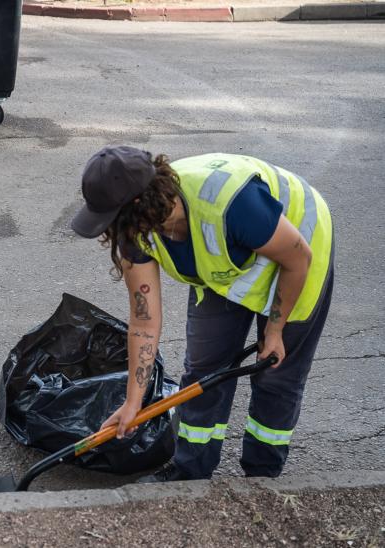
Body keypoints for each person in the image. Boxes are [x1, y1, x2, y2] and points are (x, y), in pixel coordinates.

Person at [70, 146, 333, 481]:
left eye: (110, 218)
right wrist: (133, 403)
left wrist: (275, 331)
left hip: (298, 250)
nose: (110, 230)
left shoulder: (234, 205)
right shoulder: (136, 232)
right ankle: (190, 471)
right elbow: (144, 321)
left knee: (276, 375)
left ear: (138, 204)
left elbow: (297, 259)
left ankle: (262, 476)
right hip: (226, 266)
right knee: (204, 369)